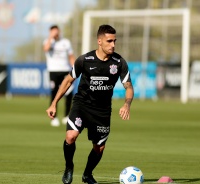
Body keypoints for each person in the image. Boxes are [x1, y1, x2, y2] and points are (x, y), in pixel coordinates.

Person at [46, 24, 134, 184]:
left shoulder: (119, 62)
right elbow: (68, 80)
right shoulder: (85, 60)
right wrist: (54, 104)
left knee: (99, 147)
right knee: (71, 136)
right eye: (109, 41)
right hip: (82, 105)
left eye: (115, 41)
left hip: (102, 110)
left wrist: (127, 104)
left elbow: (128, 86)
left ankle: (87, 174)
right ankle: (69, 167)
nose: (113, 44)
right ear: (99, 41)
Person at [43, 25, 75, 127]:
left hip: (65, 70)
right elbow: (46, 48)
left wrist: (75, 68)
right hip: (53, 71)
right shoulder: (48, 41)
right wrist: (50, 37)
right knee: (54, 93)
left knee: (69, 92)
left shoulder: (65, 42)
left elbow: (71, 56)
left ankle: (66, 116)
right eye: (53, 32)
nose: (55, 33)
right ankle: (53, 116)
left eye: (56, 31)